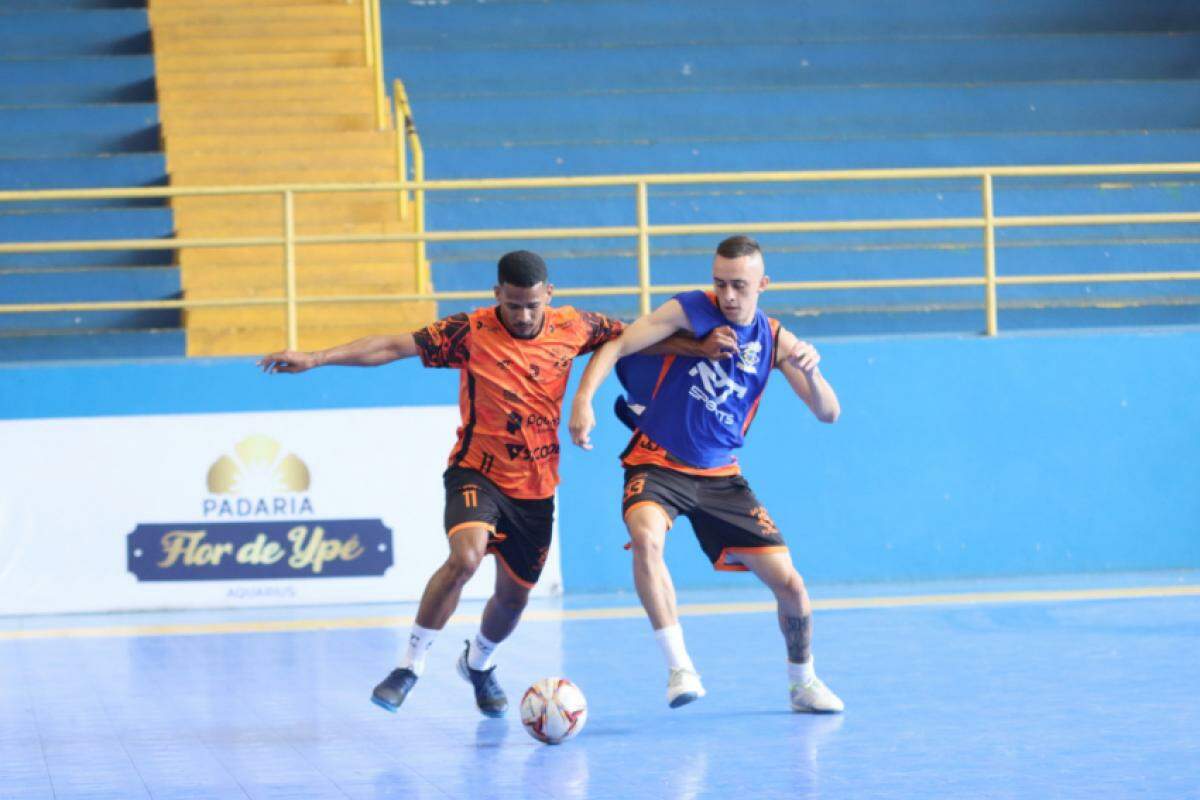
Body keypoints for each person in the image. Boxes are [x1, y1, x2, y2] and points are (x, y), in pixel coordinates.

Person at [259, 250, 728, 718]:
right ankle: (410, 664)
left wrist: (700, 348)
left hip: (537, 486)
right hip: (477, 471)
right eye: (513, 305)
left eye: (532, 305)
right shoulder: (470, 332)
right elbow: (392, 347)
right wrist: (316, 358)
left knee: (514, 596)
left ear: (549, 294)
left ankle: (479, 663)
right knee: (465, 556)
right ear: (497, 294)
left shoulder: (575, 326)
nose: (523, 316)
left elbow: (636, 338)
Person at [568, 235, 845, 713]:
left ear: (763, 284)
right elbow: (617, 343)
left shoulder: (776, 339)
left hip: (721, 477)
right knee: (647, 537)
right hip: (656, 462)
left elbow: (829, 413)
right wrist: (582, 400)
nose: (728, 295)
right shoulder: (691, 309)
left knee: (792, 587)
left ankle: (803, 683)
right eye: (720, 283)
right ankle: (680, 668)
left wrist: (813, 372)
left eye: (739, 285)